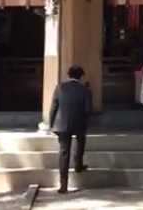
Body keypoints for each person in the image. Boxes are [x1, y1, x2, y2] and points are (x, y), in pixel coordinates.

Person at [48, 65, 92, 194]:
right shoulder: (85, 90)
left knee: (63, 152)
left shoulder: (60, 88)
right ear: (81, 76)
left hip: (62, 124)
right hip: (79, 123)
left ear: (68, 75)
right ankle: (78, 163)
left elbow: (53, 107)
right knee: (81, 140)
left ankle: (63, 185)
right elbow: (88, 111)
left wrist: (51, 124)